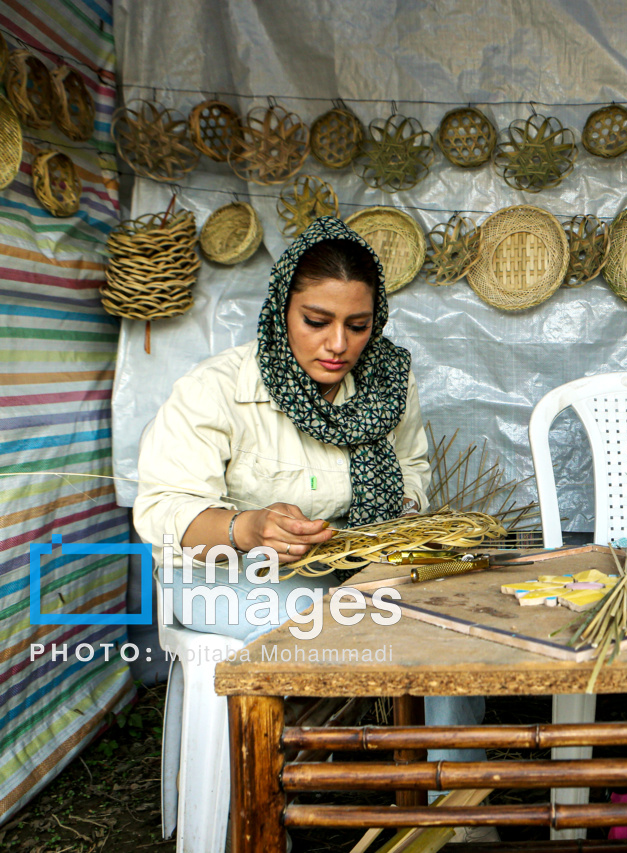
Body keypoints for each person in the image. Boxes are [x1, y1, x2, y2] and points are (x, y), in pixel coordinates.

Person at [134, 216, 493, 840]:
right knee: (344, 619)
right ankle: (269, 805)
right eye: (316, 320)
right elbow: (160, 509)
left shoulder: (387, 384)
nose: (338, 344)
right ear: (282, 309)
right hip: (221, 577)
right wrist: (246, 527)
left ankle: (459, 811)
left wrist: (397, 527)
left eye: (358, 326)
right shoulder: (217, 390)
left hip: (342, 571)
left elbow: (413, 468)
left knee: (444, 619)